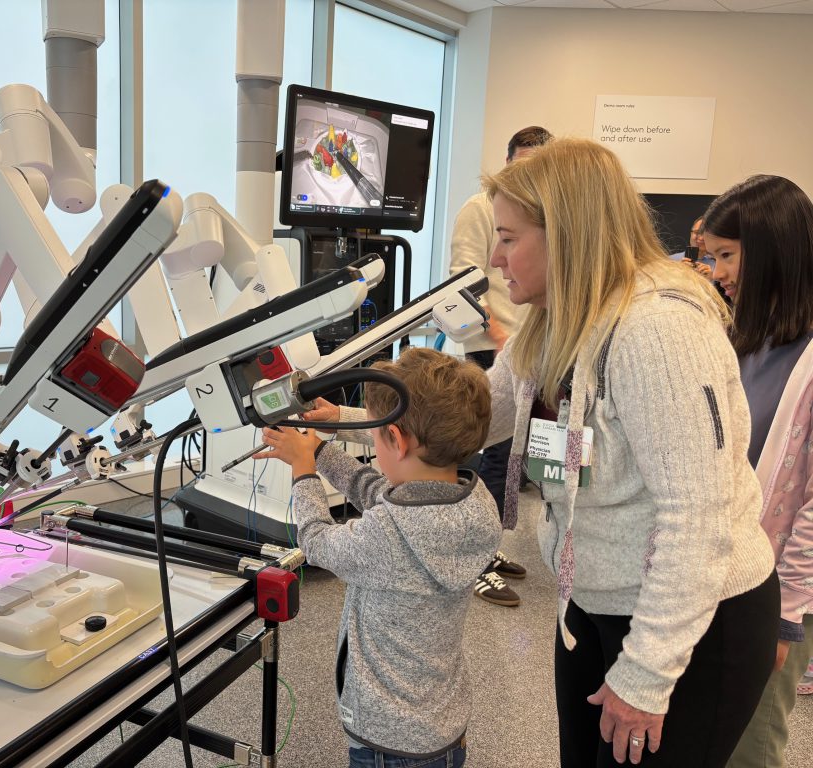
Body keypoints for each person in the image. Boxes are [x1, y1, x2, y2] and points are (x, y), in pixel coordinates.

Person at [305, 139, 779, 767]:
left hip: (691, 619)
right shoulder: (554, 319)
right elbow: (472, 417)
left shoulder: (658, 333)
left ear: (568, 234)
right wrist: (337, 421)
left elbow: (698, 521)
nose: (496, 259)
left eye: (508, 238)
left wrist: (643, 676)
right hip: (593, 596)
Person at [257, 347, 501, 768]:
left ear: (398, 441)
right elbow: (379, 493)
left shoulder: (389, 534)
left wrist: (303, 473)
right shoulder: (474, 501)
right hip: (440, 727)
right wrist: (317, 452)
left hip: (389, 743)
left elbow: (316, 541)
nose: (371, 437)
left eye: (374, 433)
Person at [700, 175, 813, 768]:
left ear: (773, 250)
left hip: (777, 590)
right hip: (724, 573)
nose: (716, 272)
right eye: (710, 256)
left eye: (726, 255)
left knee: (753, 743)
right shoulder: (743, 337)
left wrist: (786, 616)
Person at [449, 125, 553, 607]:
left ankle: (485, 549)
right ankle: (473, 558)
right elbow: (463, 278)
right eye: (522, 164)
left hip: (529, 341)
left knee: (513, 458)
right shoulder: (480, 209)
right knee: (490, 450)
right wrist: (495, 335)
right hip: (494, 342)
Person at [669, 216, 716, 280]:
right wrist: (676, 273)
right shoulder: (670, 260)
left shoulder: (717, 265)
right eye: (697, 232)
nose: (701, 238)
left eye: (706, 234)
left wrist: (712, 279)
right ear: (691, 233)